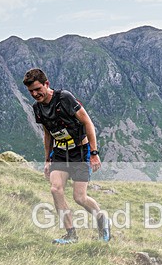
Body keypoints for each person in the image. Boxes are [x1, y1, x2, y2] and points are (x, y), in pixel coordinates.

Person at [23, 68, 110, 244]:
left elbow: (88, 123)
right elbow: (47, 133)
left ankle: (102, 219)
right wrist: (47, 159)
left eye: (38, 89)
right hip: (60, 153)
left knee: (80, 197)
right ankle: (71, 235)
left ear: (46, 84)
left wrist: (94, 153)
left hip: (80, 151)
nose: (35, 94)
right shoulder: (37, 108)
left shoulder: (64, 98)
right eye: (31, 91)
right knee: (56, 189)